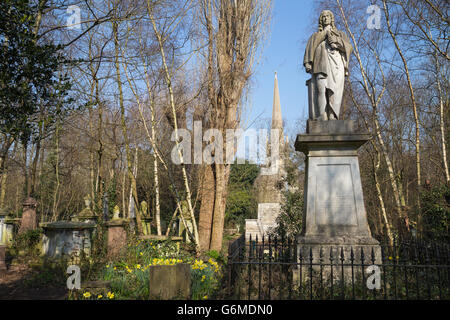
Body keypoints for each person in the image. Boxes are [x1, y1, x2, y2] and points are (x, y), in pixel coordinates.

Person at [303, 10, 353, 120]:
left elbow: (349, 47)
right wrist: (308, 63)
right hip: (321, 65)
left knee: (334, 92)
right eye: (323, 17)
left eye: (327, 16)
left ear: (331, 18)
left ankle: (333, 116)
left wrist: (337, 42)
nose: (325, 18)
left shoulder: (340, 34)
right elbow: (310, 47)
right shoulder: (315, 36)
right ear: (321, 20)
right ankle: (322, 116)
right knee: (321, 89)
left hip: (336, 66)